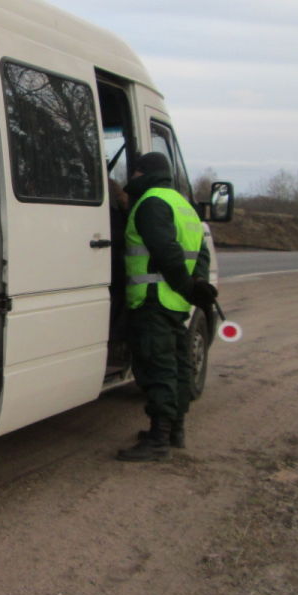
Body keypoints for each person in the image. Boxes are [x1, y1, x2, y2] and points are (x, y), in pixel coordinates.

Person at [116, 152, 218, 461]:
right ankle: (175, 431)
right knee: (178, 366)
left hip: (153, 299)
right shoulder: (183, 205)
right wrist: (196, 284)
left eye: (133, 173)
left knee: (157, 368)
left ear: (142, 174)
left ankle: (158, 441)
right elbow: (200, 251)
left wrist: (187, 286)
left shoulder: (150, 203)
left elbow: (165, 252)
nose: (129, 178)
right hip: (175, 304)